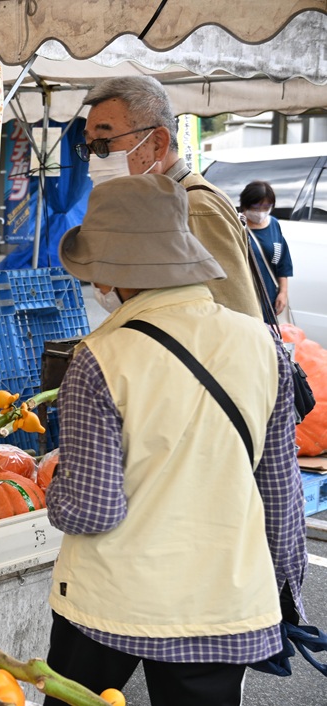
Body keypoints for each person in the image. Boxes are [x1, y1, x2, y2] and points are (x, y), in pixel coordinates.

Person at [44, 175, 307, 706]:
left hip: (108, 602)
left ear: (113, 272)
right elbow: (281, 493)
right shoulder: (266, 347)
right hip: (222, 601)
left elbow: (93, 509)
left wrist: (55, 488)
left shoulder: (98, 359)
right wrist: (281, 592)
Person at [77, 76, 261, 318]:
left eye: (103, 144)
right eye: (89, 147)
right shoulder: (152, 206)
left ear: (157, 144)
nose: (94, 160)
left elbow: (234, 324)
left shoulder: (194, 208)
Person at [241, 180, 293, 322]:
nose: (261, 212)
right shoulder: (236, 226)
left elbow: (283, 262)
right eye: (256, 207)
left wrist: (283, 292)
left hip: (270, 300)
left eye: (266, 207)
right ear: (245, 204)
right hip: (245, 301)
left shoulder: (274, 224)